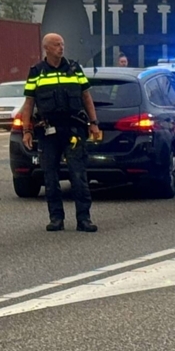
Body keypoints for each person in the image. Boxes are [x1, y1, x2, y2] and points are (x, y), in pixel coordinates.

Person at [20, 34, 102, 232]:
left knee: (78, 175)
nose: (61, 48)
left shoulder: (74, 69)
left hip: (73, 129)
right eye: (57, 45)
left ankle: (84, 219)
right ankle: (56, 218)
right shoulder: (37, 72)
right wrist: (27, 130)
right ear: (46, 48)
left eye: (62, 44)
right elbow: (29, 103)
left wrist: (94, 123)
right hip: (48, 131)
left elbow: (86, 96)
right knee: (50, 177)